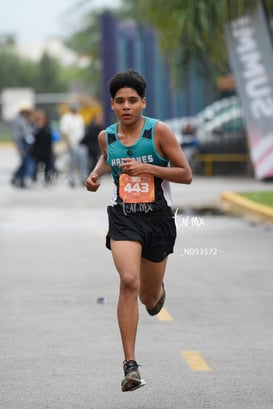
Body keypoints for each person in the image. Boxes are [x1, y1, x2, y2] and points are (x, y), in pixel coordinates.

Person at [85, 69, 192, 392]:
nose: (127, 106)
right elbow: (108, 159)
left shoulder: (158, 132)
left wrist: (148, 167)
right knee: (128, 280)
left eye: (133, 100)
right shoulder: (107, 136)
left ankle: (157, 293)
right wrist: (94, 175)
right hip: (124, 217)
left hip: (158, 218)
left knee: (147, 296)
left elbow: (185, 174)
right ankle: (130, 365)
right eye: (120, 101)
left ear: (143, 102)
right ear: (112, 105)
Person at [59, 102, 88, 187]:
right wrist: (68, 144)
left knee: (83, 162)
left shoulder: (79, 117)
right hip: (72, 144)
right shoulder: (66, 118)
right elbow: (64, 132)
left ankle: (83, 178)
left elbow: (82, 130)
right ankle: (71, 180)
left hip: (81, 143)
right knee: (72, 163)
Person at [11, 102, 35, 188]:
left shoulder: (26, 120)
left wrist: (31, 121)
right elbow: (16, 136)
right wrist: (19, 147)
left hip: (28, 143)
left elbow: (31, 131)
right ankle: (21, 179)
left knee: (25, 162)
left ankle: (17, 177)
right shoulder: (18, 120)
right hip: (22, 143)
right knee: (26, 162)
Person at [31, 109, 55, 184]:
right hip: (37, 151)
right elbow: (32, 138)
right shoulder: (34, 127)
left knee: (48, 166)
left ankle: (48, 180)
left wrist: (52, 152)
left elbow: (50, 141)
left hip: (46, 151)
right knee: (35, 166)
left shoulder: (48, 127)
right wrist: (38, 127)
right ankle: (33, 179)